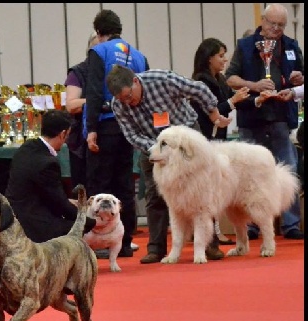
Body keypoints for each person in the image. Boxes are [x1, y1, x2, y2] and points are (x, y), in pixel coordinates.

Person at [105, 64, 232, 264]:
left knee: (203, 194)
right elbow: (131, 134)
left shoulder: (162, 79)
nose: (128, 102)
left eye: (129, 96)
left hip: (187, 141)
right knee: (155, 195)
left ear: (136, 81)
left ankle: (209, 246)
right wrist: (157, 148)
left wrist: (214, 114)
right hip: (153, 148)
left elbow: (198, 88)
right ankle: (156, 248)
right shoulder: (118, 104)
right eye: (122, 100)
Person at [225, 3, 305, 240]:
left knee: (288, 170)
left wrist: (298, 79)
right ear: (263, 20)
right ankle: (251, 225)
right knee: (250, 175)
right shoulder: (245, 46)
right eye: (272, 23)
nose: (276, 29)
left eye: (281, 25)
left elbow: (301, 77)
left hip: (281, 116)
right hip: (252, 118)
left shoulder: (291, 46)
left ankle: (291, 224)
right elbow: (230, 78)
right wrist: (254, 86)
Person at [84, 9, 150, 259]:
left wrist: (91, 129)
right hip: (130, 127)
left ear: (99, 32)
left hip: (106, 124)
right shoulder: (139, 56)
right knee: (124, 185)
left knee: (100, 185)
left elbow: (93, 92)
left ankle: (97, 241)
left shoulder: (99, 51)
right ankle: (123, 242)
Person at [191, 37, 254, 245]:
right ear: (209, 58)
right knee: (207, 190)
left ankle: (214, 230)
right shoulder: (201, 81)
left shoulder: (219, 79)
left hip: (218, 139)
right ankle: (211, 232)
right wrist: (233, 101)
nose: (225, 60)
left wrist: (255, 100)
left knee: (214, 188)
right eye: (220, 55)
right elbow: (213, 108)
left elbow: (232, 102)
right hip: (205, 139)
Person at [5, 109, 95, 243]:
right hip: (34, 226)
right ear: (63, 134)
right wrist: (91, 222)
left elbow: (40, 192)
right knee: (83, 226)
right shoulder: (48, 164)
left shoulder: (26, 147)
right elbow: (60, 206)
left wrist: (69, 202)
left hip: (13, 217)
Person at [64, 31, 99, 193]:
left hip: (109, 137)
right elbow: (71, 105)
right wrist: (97, 102)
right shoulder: (77, 73)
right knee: (84, 190)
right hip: (81, 142)